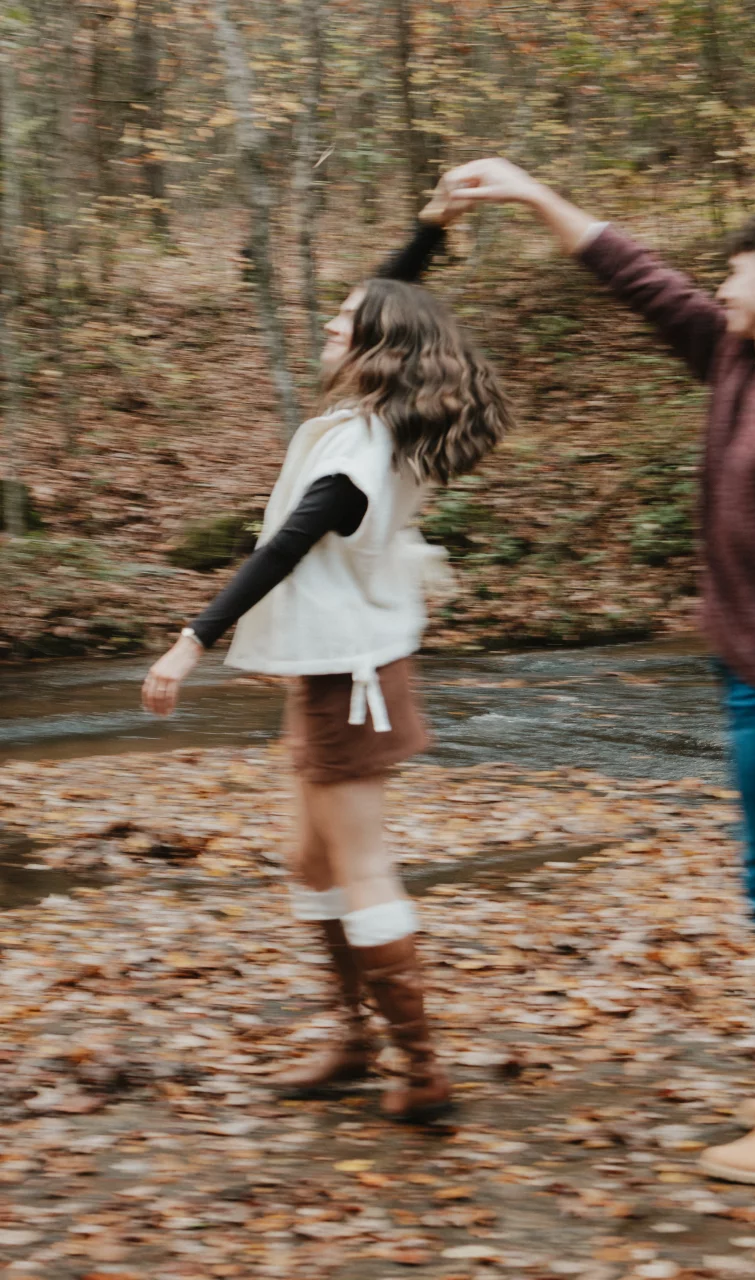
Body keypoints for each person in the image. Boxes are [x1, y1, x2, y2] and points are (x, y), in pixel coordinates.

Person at [443, 158, 755, 1183]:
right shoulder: (735, 360)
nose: (716, 289)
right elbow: (630, 271)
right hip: (750, 669)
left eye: (730, 274)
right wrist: (525, 191)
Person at [142, 192, 515, 1124]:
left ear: (376, 347)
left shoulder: (354, 456)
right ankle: (351, 1041)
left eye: (343, 321)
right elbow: (397, 293)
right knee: (309, 864)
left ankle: (419, 1067)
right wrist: (428, 227)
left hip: (353, 680)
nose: (329, 321)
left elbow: (278, 552)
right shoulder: (385, 423)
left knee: (360, 868)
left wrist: (190, 645)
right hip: (338, 671)